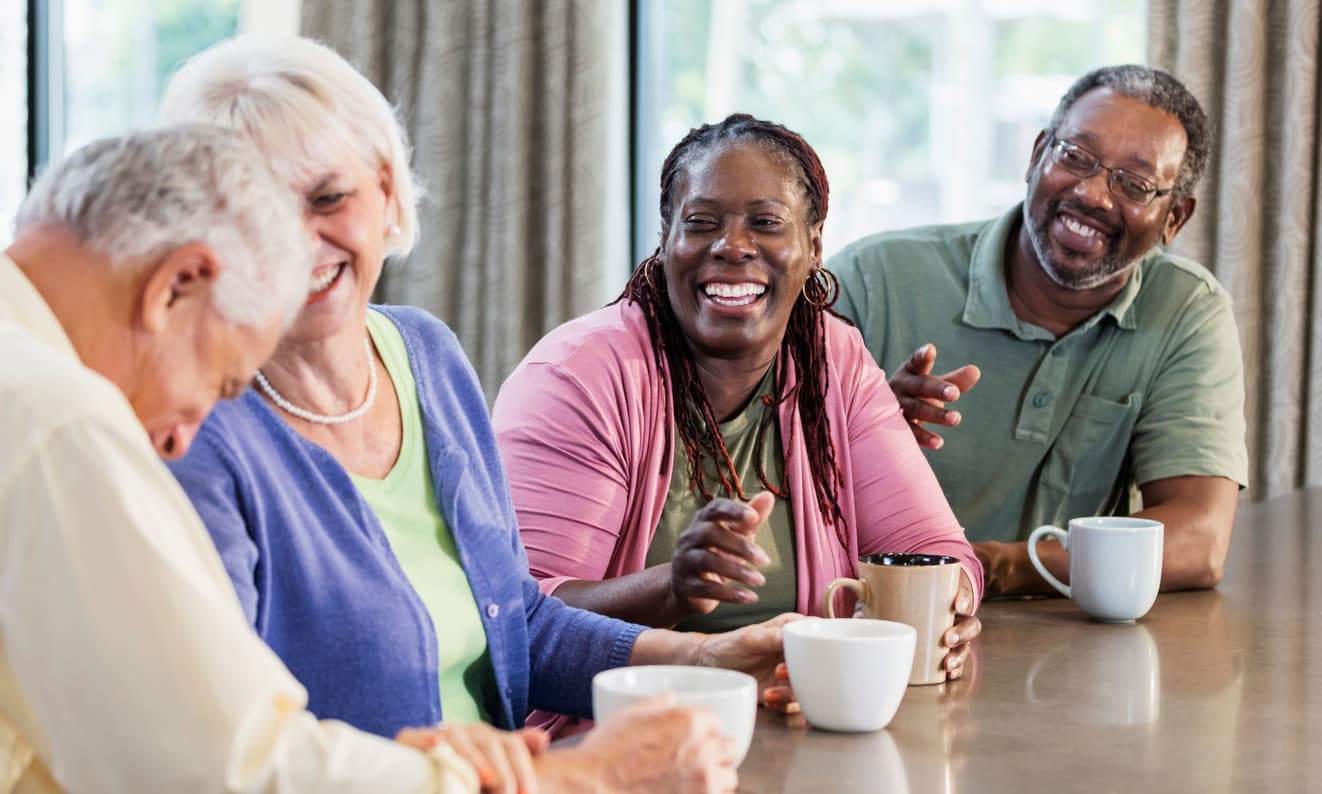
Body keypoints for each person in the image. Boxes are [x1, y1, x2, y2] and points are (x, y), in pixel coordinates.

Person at [161, 34, 790, 792]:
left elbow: (517, 625)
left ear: (388, 193)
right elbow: (226, 747)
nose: (300, 241)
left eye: (329, 198)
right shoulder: (197, 432)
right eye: (255, 210)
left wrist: (706, 658)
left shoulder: (426, 356)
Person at [1, 126, 515, 792]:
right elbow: (223, 771)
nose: (178, 442)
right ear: (177, 284)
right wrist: (569, 776)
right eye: (216, 389)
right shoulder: (62, 424)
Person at [492, 114, 984, 682]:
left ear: (814, 245)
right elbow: (514, 614)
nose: (732, 246)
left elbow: (933, 550)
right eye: (700, 222)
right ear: (666, 238)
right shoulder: (580, 375)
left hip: (801, 713)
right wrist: (670, 587)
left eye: (766, 223)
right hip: (619, 729)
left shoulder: (834, 362)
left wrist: (951, 609)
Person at [827, 65, 1248, 599]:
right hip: (871, 619)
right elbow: (751, 459)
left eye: (1135, 184)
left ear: (1175, 219)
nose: (1094, 194)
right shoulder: (872, 278)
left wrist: (994, 567)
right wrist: (858, 430)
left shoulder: (1186, 310)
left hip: (1063, 644)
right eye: (1075, 156)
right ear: (1036, 156)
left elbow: (1200, 540)